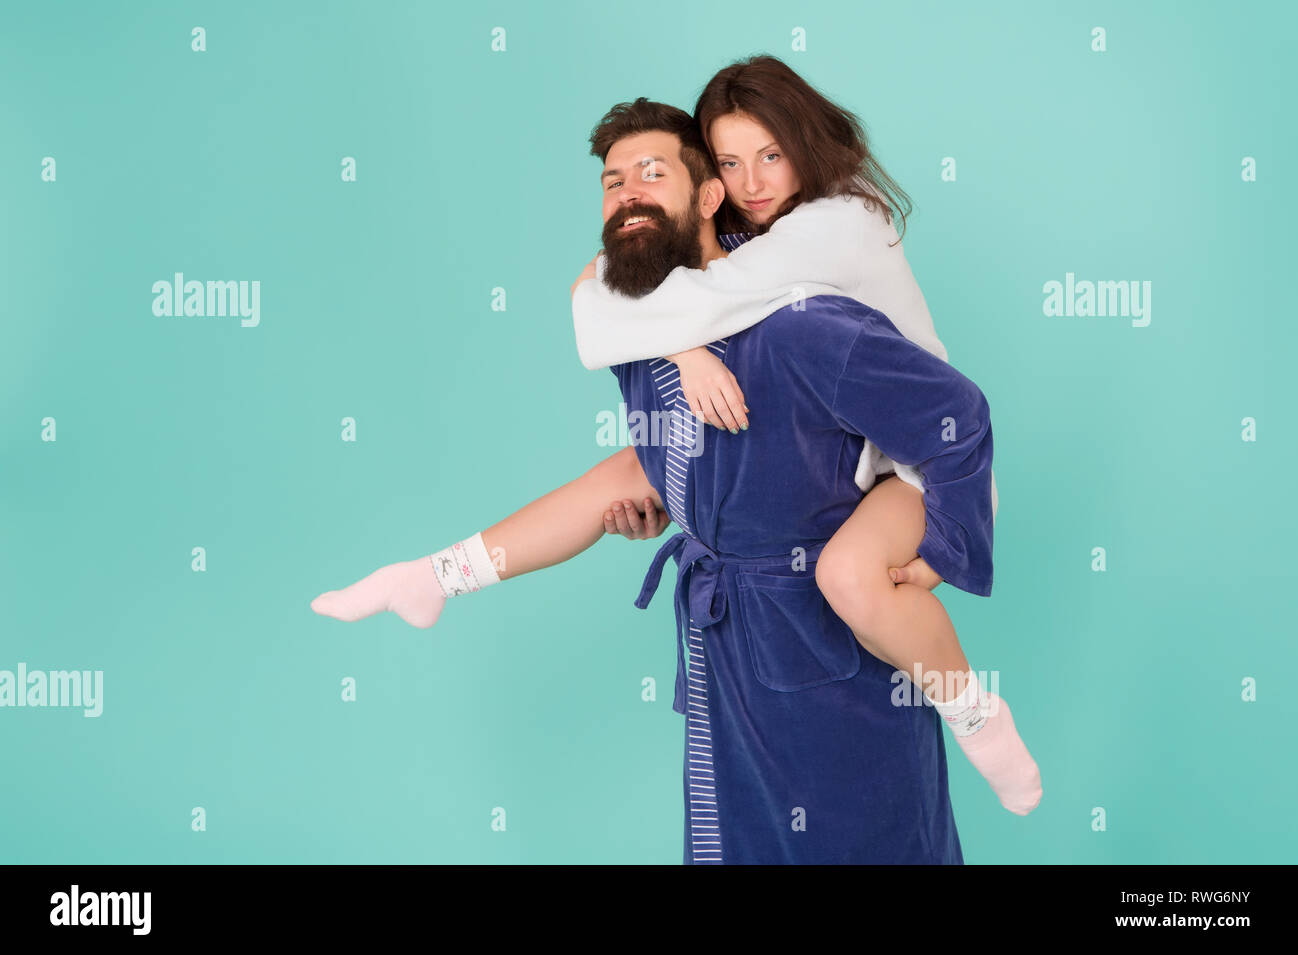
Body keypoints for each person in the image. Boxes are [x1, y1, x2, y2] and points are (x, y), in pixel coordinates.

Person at [315, 97, 994, 863]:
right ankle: (436, 574)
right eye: (612, 181)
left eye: (652, 172)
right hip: (729, 657)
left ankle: (978, 714)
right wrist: (680, 394)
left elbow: (951, 413)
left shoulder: (805, 321)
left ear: (708, 197)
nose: (629, 191)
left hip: (825, 652)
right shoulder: (639, 329)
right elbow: (666, 451)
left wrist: (952, 531)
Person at [571, 56, 1040, 816]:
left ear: (805, 144)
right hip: (856, 470)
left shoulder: (837, 225)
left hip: (923, 469)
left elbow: (638, 303)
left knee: (849, 576)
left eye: (771, 155)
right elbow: (617, 284)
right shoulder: (751, 228)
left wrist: (943, 549)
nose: (753, 182)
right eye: (729, 162)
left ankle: (976, 713)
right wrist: (685, 358)